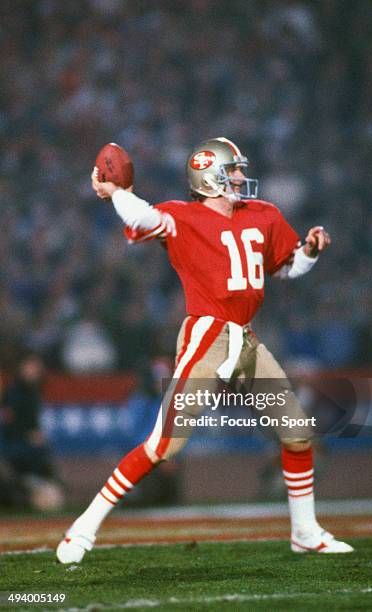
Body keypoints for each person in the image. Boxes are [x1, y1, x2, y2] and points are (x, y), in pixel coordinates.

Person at [57, 137, 353, 563]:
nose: (239, 177)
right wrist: (118, 191)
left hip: (246, 338)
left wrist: (308, 251)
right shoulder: (182, 216)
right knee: (164, 445)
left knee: (297, 433)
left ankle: (306, 532)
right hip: (208, 336)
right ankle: (83, 527)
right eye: (231, 171)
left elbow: (288, 268)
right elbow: (141, 219)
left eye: (238, 170)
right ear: (208, 176)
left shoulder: (263, 214)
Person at [0, 354, 64, 510]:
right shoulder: (14, 393)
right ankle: (22, 493)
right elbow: (9, 425)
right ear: (22, 368)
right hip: (16, 447)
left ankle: (37, 490)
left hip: (30, 447)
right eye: (31, 367)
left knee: (45, 456)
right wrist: (29, 435)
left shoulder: (34, 393)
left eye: (36, 367)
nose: (35, 371)